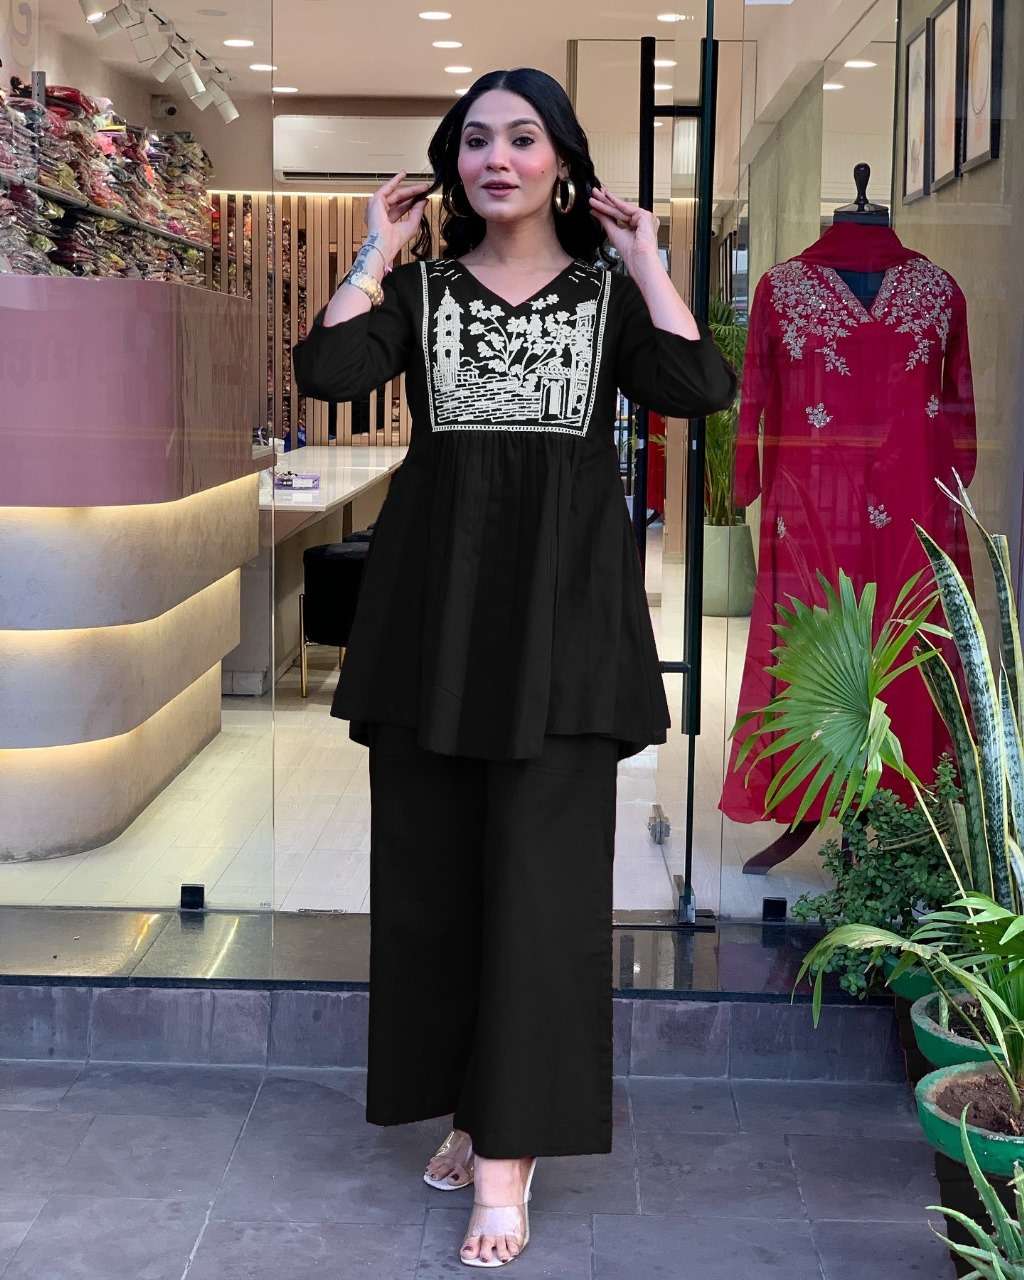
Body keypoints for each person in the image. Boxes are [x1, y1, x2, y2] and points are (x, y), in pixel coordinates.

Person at [291, 66, 736, 1269]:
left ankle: (507, 1158)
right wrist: (375, 253)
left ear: (562, 162)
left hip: (564, 628)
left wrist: (646, 259)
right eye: (476, 139)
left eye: (524, 138)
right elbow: (328, 373)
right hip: (432, 625)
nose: (497, 157)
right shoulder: (422, 288)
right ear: (453, 164)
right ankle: (469, 1105)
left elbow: (698, 385)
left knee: (541, 894)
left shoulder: (606, 296)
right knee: (433, 884)